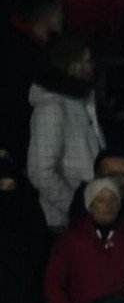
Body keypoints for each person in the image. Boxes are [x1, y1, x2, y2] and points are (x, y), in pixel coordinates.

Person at [26, 35, 102, 231]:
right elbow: (40, 171)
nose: (93, 66)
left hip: (91, 217)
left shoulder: (82, 103)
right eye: (87, 61)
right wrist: (74, 205)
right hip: (62, 224)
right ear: (73, 65)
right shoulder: (52, 107)